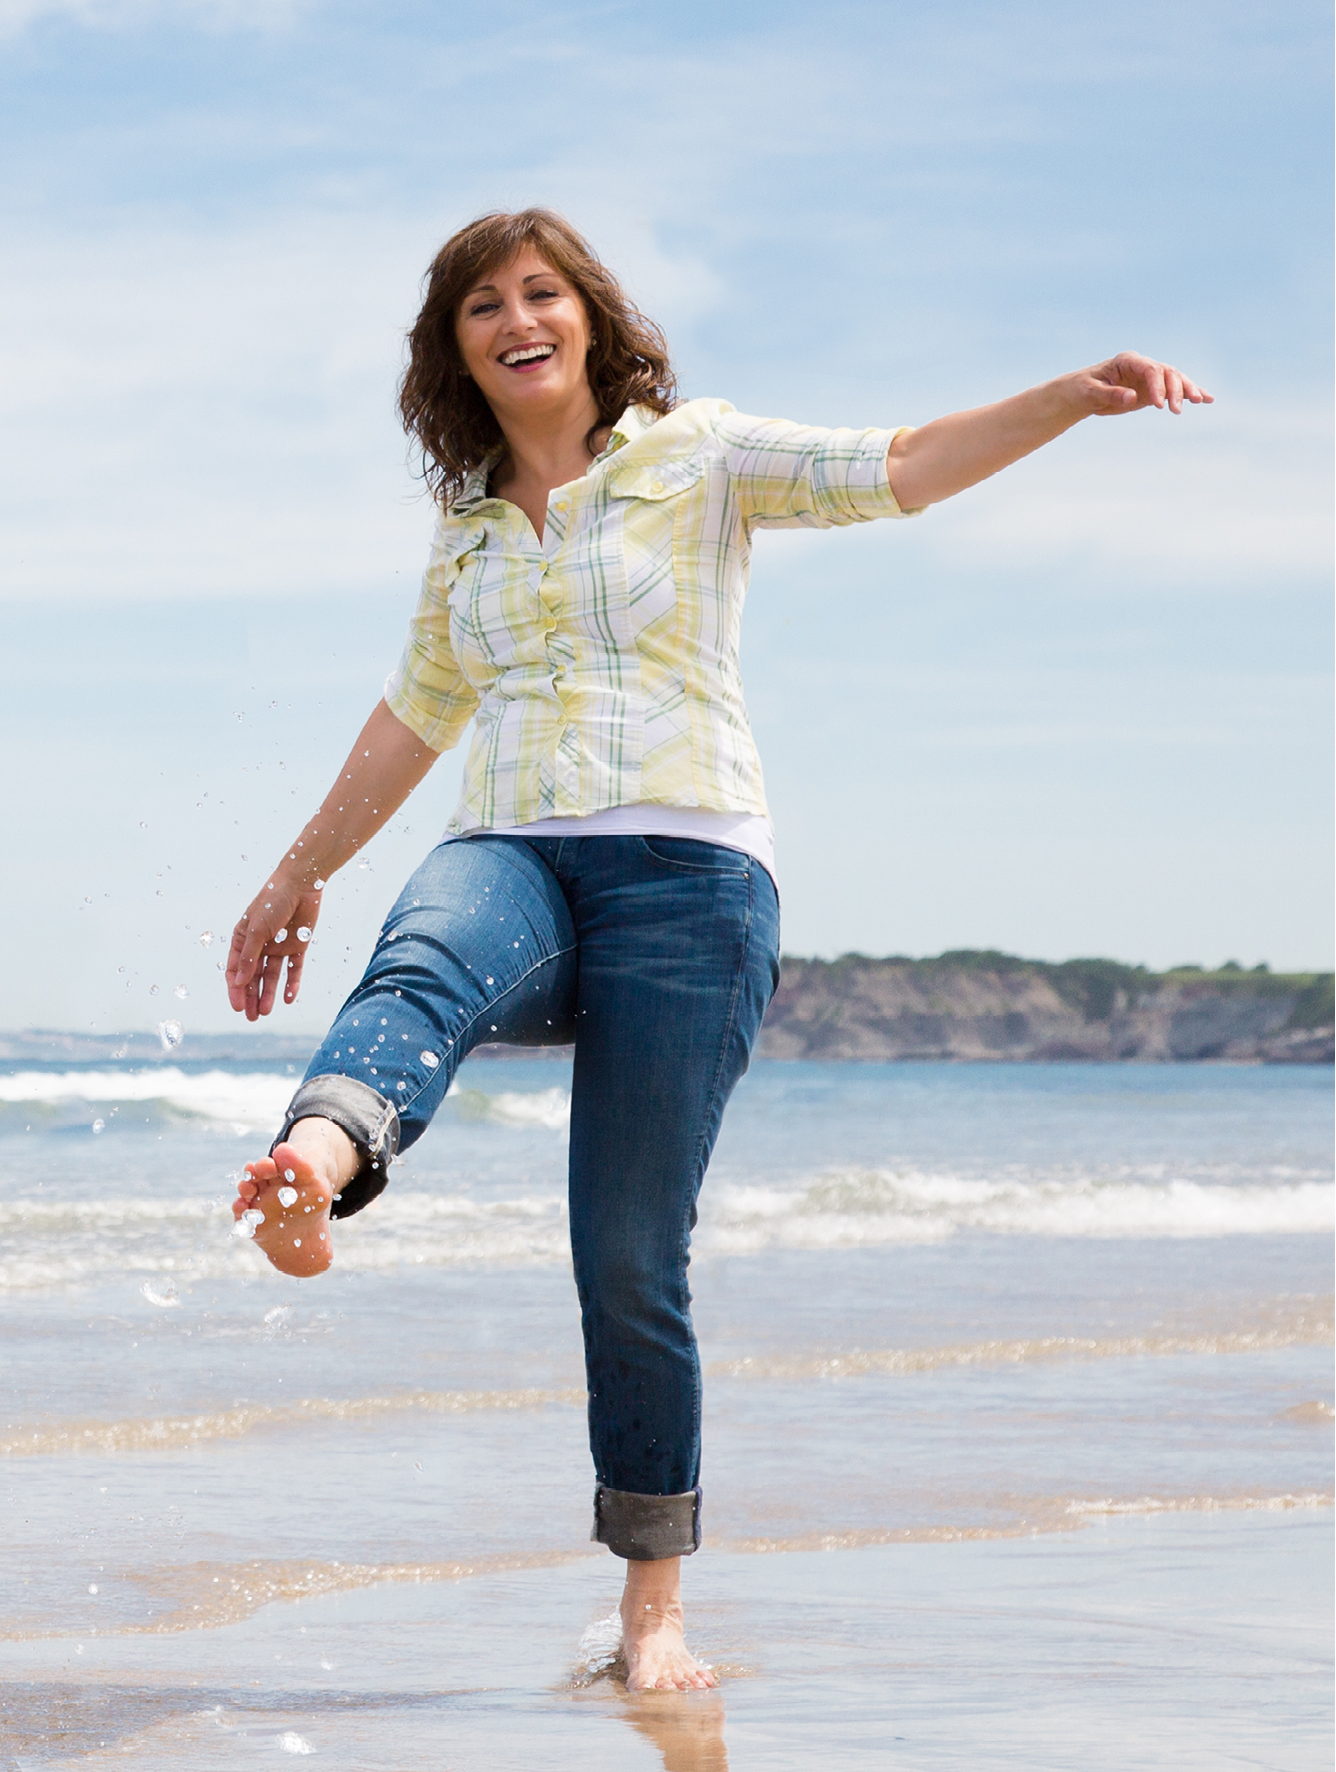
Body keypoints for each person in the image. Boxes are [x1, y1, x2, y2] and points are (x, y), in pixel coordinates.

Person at [221, 209, 1210, 1692]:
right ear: (456, 352)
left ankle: (652, 1616)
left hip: (690, 878)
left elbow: (900, 467)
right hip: (516, 849)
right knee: (426, 944)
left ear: (591, 320)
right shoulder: (470, 526)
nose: (515, 320)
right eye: (481, 305)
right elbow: (416, 714)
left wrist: (1068, 398)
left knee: (626, 1254)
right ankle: (314, 1165)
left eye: (540, 292)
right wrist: (295, 870)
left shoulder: (704, 454)